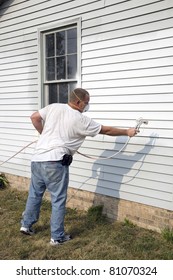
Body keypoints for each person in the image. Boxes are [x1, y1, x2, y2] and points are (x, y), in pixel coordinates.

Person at [20, 88, 138, 246]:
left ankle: (26, 225)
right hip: (55, 162)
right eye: (86, 103)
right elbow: (107, 130)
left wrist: (44, 136)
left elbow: (34, 117)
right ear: (78, 102)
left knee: (35, 194)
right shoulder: (81, 119)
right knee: (58, 200)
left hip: (37, 159)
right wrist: (127, 132)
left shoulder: (53, 107)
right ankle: (57, 237)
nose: (87, 106)